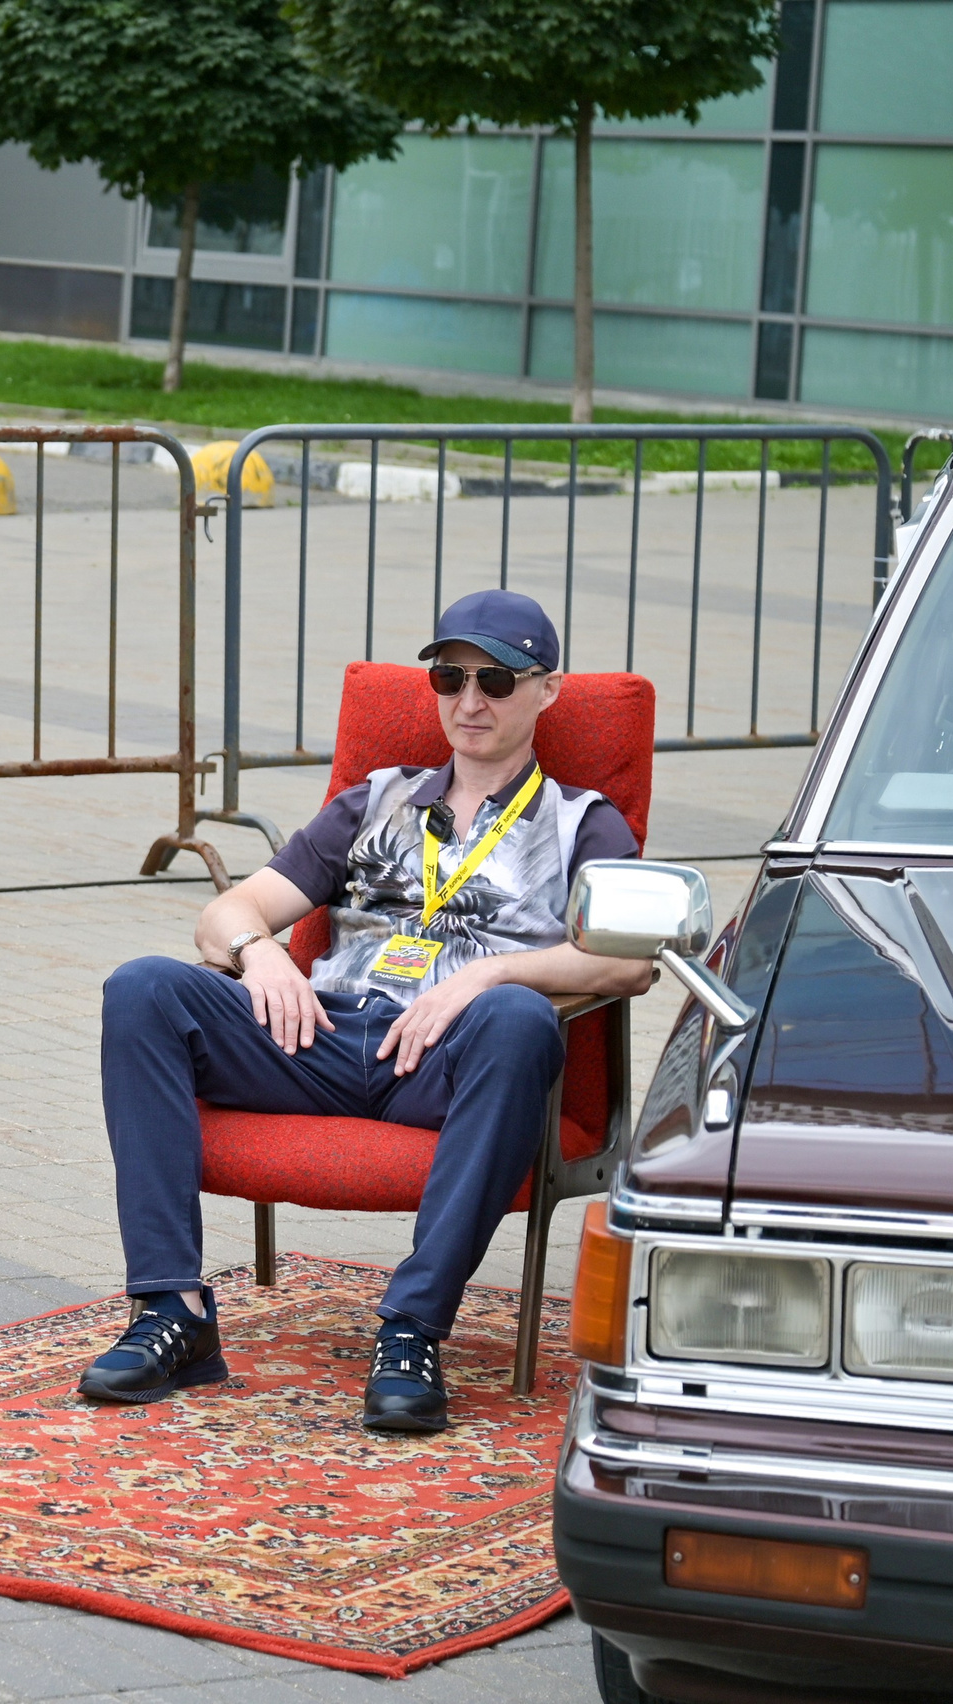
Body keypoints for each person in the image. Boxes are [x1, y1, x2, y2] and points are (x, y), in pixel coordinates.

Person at [80, 589, 652, 1432]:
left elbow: (631, 959)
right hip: (319, 1034)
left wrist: (486, 979)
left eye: (495, 679)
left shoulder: (581, 824)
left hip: (449, 1056)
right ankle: (173, 1312)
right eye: (449, 677)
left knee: (521, 1021)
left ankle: (413, 1331)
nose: (468, 701)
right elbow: (224, 915)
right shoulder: (377, 799)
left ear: (547, 691)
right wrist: (262, 952)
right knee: (143, 989)